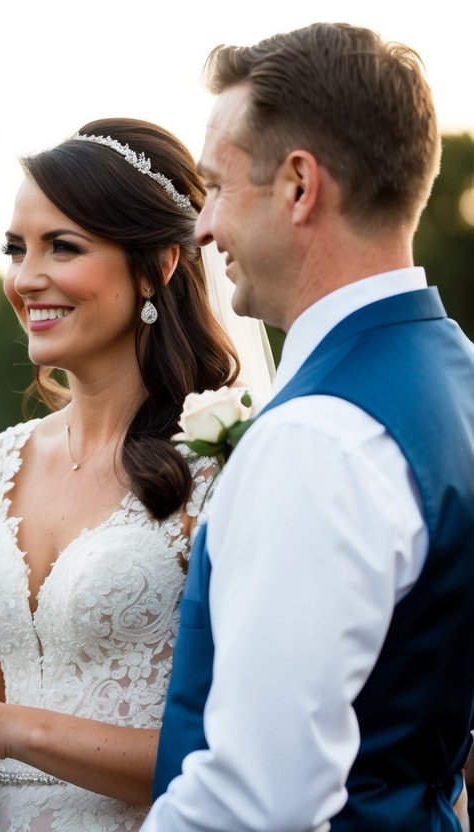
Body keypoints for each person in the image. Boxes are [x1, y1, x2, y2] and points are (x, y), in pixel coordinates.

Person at [0, 119, 271, 831]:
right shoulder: (0, 465)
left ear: (158, 265)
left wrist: (1, 727)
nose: (25, 279)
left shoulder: (224, 460)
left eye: (64, 247)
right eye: (15, 249)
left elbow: (235, 750)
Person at [145, 23, 474, 832]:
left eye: (216, 187)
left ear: (298, 185)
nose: (201, 228)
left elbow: (256, 799)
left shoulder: (320, 438)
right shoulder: (458, 377)